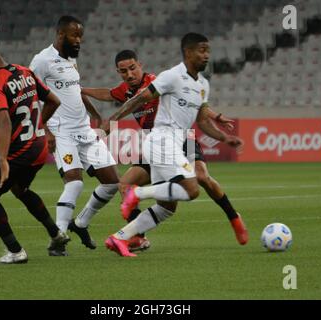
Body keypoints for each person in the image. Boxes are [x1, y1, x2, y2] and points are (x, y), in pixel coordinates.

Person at [82, 50, 248, 252]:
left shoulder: (156, 81)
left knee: (202, 177)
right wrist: (82, 90)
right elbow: (108, 94)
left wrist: (215, 115)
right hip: (157, 145)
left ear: (140, 65)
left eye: (133, 68)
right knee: (126, 185)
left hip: (181, 138)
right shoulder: (126, 90)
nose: (129, 74)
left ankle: (233, 217)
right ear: (119, 72)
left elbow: (190, 97)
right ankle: (136, 237)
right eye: (123, 71)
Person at [0, 36, 68, 264]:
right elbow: (54, 101)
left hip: (18, 150)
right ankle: (56, 233)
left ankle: (15, 251)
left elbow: (3, 119)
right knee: (20, 189)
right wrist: (39, 125)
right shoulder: (24, 72)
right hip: (39, 147)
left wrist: (3, 158)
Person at [29, 16, 120, 255]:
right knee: (75, 182)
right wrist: (45, 129)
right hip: (61, 131)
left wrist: (97, 115)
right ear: (60, 35)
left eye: (80, 35)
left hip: (84, 129)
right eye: (74, 35)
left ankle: (79, 223)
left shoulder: (71, 60)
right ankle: (58, 237)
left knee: (112, 183)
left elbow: (76, 91)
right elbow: (32, 98)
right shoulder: (42, 61)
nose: (79, 40)